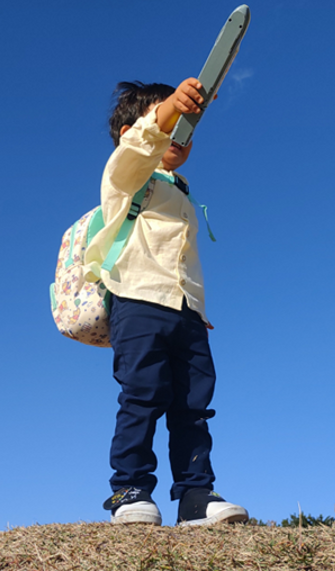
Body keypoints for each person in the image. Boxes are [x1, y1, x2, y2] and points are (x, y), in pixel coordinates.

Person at [82, 78, 249, 527]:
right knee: (142, 394)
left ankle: (196, 495)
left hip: (186, 312)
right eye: (170, 122)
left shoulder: (182, 190)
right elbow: (141, 145)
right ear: (130, 131)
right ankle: (130, 488)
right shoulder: (125, 174)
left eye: (187, 127)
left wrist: (196, 308)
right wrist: (170, 107)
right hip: (137, 300)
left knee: (193, 405)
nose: (179, 133)